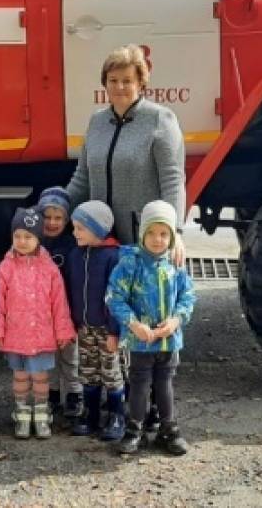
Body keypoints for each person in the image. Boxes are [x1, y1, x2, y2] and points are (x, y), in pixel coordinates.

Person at [66, 43, 189, 434]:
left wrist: (176, 233)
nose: (120, 87)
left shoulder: (159, 120)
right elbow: (82, 179)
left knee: (147, 323)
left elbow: (173, 180)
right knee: (113, 324)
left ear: (141, 84)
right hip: (105, 241)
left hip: (143, 243)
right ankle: (121, 406)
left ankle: (152, 407)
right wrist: (53, 212)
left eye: (127, 81)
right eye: (114, 80)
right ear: (105, 83)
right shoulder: (97, 122)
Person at [108, 200, 196, 456]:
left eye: (164, 234)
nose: (158, 240)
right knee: (139, 384)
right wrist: (133, 324)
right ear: (142, 234)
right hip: (140, 340)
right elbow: (115, 297)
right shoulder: (130, 264)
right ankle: (135, 428)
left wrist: (176, 320)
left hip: (168, 341)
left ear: (171, 237)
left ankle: (168, 428)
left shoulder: (175, 265)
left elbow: (188, 296)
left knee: (164, 383)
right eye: (152, 233)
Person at [0, 207, 76, 440]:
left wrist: (63, 331)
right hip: (15, 335)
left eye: (28, 236)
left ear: (38, 238)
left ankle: (41, 411)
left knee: (40, 376)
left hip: (42, 335)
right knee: (20, 376)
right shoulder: (5, 269)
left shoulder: (49, 269)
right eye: (17, 236)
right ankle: (21, 411)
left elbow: (59, 304)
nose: (22, 241)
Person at [66, 201, 126, 441]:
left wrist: (114, 331)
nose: (74, 233)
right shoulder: (75, 255)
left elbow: (116, 297)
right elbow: (71, 290)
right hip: (84, 327)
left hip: (107, 330)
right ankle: (90, 413)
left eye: (80, 228)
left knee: (111, 372)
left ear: (98, 229)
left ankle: (116, 414)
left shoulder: (114, 257)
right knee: (88, 371)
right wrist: (73, 321)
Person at [36, 186, 82, 422]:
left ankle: (74, 395)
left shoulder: (73, 245)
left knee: (70, 357)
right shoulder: (33, 243)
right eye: (48, 217)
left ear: (67, 219)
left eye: (59, 218)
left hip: (67, 313)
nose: (53, 223)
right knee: (48, 358)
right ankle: (52, 395)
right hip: (43, 314)